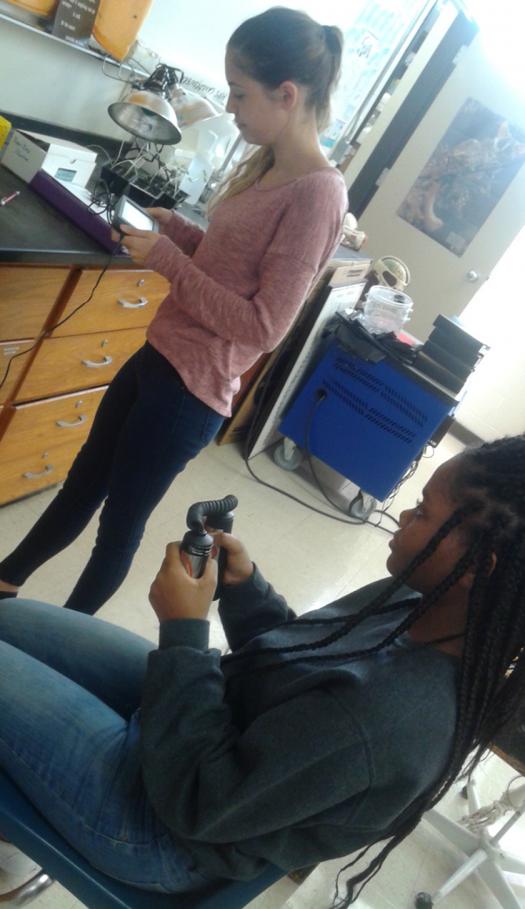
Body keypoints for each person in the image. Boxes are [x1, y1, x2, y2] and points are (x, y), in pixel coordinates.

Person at [1, 435, 524, 901]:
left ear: (476, 566)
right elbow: (305, 663)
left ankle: (22, 839)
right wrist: (243, 585)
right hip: (203, 737)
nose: (403, 517)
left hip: (164, 826)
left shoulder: (384, 725)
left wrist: (184, 632)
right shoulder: (421, 600)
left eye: (422, 512)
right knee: (11, 619)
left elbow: (203, 803)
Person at [0, 7, 348, 614]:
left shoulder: (319, 192)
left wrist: (167, 258)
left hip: (193, 390)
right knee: (80, 488)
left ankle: (61, 640)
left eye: (239, 94)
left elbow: (263, 325)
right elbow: (230, 267)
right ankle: (5, 580)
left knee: (119, 525)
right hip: (158, 358)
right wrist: (183, 234)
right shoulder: (269, 162)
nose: (232, 110)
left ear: (287, 94)